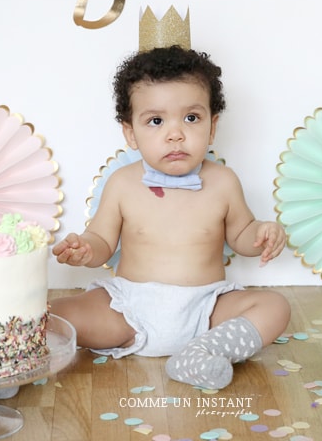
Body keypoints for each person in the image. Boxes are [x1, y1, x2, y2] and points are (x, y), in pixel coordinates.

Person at [50, 45, 291, 390]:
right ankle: (17, 361)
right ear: (131, 132)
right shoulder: (122, 183)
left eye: (191, 118)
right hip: (128, 310)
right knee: (52, 314)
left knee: (274, 307)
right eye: (156, 121)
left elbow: (241, 234)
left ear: (212, 127)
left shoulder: (223, 182)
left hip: (206, 312)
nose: (175, 133)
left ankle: (203, 352)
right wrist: (86, 249)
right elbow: (102, 240)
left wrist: (262, 233)